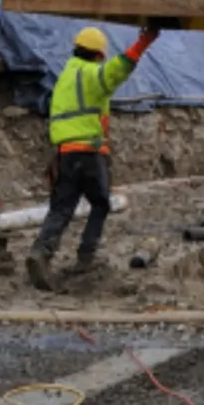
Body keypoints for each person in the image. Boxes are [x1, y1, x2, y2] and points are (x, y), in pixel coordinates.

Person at [26, 22, 160, 290]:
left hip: (64, 153)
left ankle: (40, 252)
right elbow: (117, 70)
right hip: (89, 151)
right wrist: (144, 42)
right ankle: (85, 258)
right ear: (99, 54)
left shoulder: (65, 76)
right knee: (100, 204)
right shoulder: (91, 74)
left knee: (61, 208)